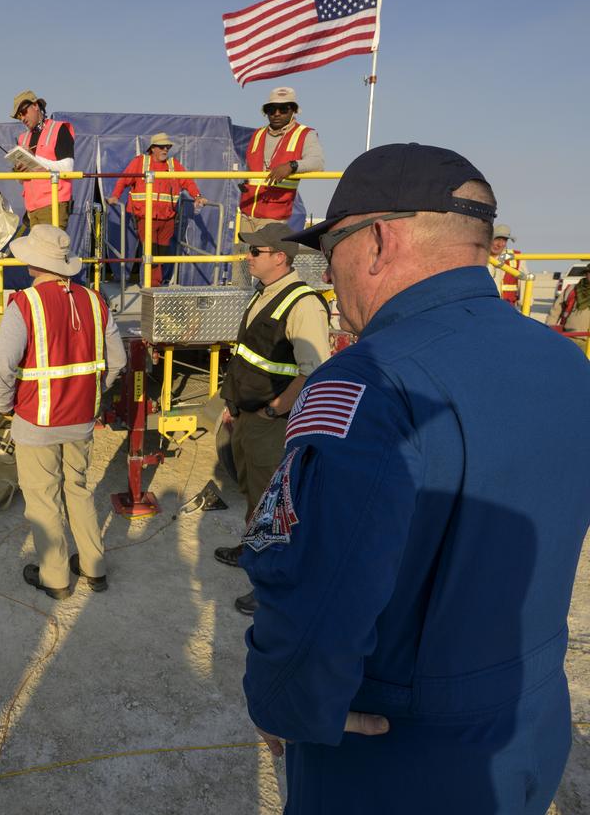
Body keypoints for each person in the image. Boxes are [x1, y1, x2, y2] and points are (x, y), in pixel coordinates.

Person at [239, 143, 590, 814]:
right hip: (530, 719)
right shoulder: (565, 361)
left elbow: (319, 579)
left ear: (376, 241)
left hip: (402, 756)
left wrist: (289, 699)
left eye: (328, 251)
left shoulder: (368, 379)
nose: (328, 277)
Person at [0, 224, 126, 599]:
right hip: (81, 419)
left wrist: (5, 405)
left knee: (43, 498)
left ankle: (55, 578)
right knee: (78, 489)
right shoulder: (96, 301)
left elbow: (1, 367)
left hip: (36, 421)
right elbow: (117, 361)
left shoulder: (25, 304)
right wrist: (93, 395)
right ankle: (94, 568)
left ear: (33, 264)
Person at [209, 222, 330, 616]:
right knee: (252, 490)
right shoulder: (265, 294)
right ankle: (251, 551)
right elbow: (250, 355)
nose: (248, 257)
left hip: (269, 421)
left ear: (280, 257)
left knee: (270, 504)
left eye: (255, 252)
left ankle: (270, 584)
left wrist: (275, 408)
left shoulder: (302, 303)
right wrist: (234, 401)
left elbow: (313, 371)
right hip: (248, 415)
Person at [108, 133, 208, 286]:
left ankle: (156, 284)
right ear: (152, 148)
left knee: (162, 254)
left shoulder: (173, 164)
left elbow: (188, 181)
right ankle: (151, 286)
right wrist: (115, 196)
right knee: (151, 253)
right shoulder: (140, 162)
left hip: (167, 218)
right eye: (162, 147)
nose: (165, 150)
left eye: (167, 147)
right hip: (145, 217)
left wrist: (198, 196)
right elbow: (124, 180)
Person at [238, 87, 324, 235]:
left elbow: (318, 162)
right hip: (246, 213)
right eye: (272, 109)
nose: (277, 114)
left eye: (283, 109)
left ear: (293, 111)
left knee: (265, 258)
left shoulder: (305, 134)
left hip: (274, 217)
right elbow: (250, 168)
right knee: (243, 258)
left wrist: (292, 166)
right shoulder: (257, 134)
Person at [12, 90, 75, 229]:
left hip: (53, 203)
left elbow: (68, 167)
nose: (22, 118)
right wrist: (19, 172)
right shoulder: (23, 139)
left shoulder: (59, 129)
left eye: (23, 112)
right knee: (40, 251)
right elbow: (21, 181)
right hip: (32, 207)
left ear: (35, 106)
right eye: (19, 116)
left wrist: (34, 159)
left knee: (51, 250)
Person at [547, 266, 590, 339]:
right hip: (569, 338)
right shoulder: (572, 289)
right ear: (586, 274)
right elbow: (555, 312)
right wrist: (549, 332)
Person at [488, 223, 523, 305]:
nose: (500, 244)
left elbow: (525, 290)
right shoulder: (478, 257)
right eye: (497, 239)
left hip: (507, 311)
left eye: (504, 240)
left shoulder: (516, 258)